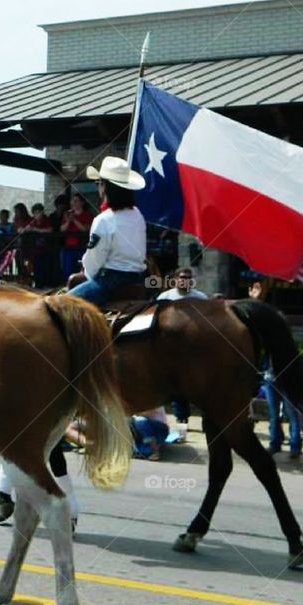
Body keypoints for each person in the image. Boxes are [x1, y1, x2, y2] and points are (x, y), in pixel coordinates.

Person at [67, 156, 146, 307]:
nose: (98, 187)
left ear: (105, 186)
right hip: (139, 278)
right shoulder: (137, 214)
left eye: (98, 183)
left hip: (111, 281)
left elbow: (93, 263)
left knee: (62, 305)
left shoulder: (104, 220)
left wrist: (87, 274)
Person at [156, 267, 207, 430]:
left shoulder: (200, 298)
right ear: (176, 279)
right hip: (174, 349)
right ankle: (181, 421)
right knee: (178, 387)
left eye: (188, 277)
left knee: (202, 386)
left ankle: (208, 421)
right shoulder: (165, 297)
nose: (185, 280)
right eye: (182, 277)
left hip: (195, 349)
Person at [59, 193, 95, 281]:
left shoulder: (87, 215)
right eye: (72, 201)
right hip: (69, 248)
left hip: (82, 248)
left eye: (76, 201)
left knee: (81, 272)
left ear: (82, 203)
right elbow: (62, 229)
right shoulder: (67, 214)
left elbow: (85, 229)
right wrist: (68, 221)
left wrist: (74, 220)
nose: (73, 203)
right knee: (67, 272)